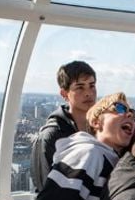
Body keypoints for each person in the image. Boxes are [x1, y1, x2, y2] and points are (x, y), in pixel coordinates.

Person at [30, 60, 97, 191]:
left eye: (92, 85)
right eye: (80, 87)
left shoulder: (101, 128)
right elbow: (45, 187)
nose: (88, 93)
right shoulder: (51, 135)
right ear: (64, 94)